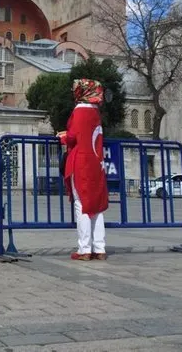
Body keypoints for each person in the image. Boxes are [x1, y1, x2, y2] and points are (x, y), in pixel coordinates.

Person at [58, 78, 109, 261]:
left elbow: (74, 137)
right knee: (97, 205)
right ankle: (100, 248)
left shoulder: (80, 111)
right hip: (97, 162)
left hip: (81, 162)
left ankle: (84, 248)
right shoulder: (96, 112)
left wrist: (63, 137)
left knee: (82, 204)